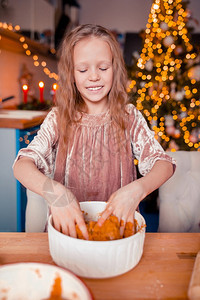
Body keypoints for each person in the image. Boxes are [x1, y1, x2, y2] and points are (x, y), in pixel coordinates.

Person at [13, 24, 175, 240]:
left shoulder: (129, 117)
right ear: (71, 73)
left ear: (115, 69)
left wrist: (138, 189)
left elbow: (163, 164)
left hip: (119, 235)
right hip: (67, 234)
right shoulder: (58, 118)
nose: (94, 77)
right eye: (83, 70)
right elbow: (22, 166)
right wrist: (57, 195)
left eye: (103, 68)